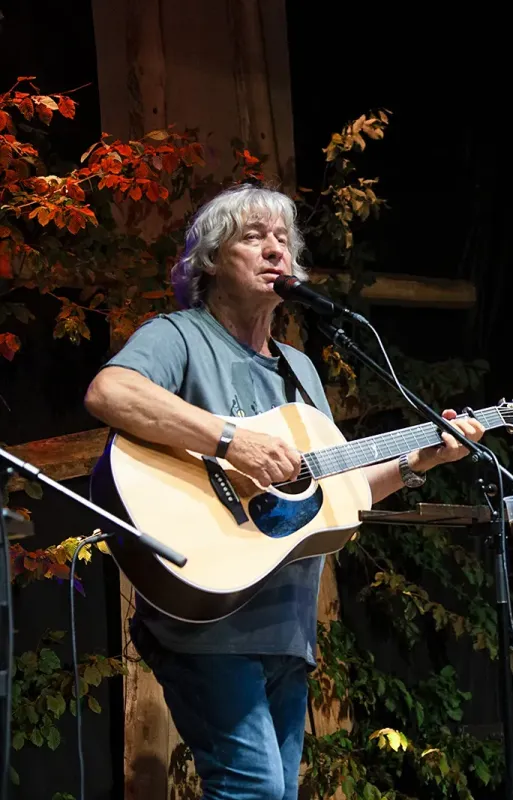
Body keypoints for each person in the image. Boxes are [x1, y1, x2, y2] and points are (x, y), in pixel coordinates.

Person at [83, 183, 485, 799]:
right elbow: (111, 393)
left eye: (283, 239)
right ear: (211, 261)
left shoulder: (301, 370)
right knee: (255, 791)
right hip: (206, 615)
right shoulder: (179, 336)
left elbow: (337, 491)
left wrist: (418, 461)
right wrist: (230, 441)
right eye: (254, 237)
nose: (276, 250)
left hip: (285, 627)